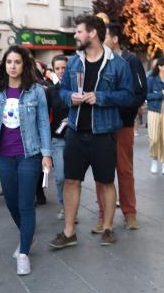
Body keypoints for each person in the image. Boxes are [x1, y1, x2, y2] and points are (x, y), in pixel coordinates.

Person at [48, 15, 133, 249]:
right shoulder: (74, 63)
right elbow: (61, 91)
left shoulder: (117, 64)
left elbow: (129, 96)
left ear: (93, 33)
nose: (75, 35)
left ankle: (107, 228)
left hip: (104, 133)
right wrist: (70, 98)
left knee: (105, 181)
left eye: (79, 31)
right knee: (70, 181)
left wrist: (101, 97)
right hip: (75, 131)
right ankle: (69, 232)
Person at [0, 46, 52, 275]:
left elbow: (43, 123)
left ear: (25, 65)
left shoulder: (35, 91)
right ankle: (27, 237)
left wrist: (47, 154)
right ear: (4, 65)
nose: (12, 66)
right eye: (9, 62)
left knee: (25, 203)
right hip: (4, 156)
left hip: (29, 155)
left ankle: (23, 253)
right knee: (11, 202)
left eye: (17, 62)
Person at [92, 23, 147, 232]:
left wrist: (121, 109)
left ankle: (129, 213)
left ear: (114, 39)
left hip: (122, 124)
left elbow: (140, 93)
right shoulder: (97, 60)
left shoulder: (130, 60)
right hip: (101, 126)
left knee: (124, 170)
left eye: (103, 35)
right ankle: (102, 216)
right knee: (101, 173)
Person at [46, 55, 69, 220]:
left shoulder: (78, 88)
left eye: (64, 68)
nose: (61, 71)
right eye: (58, 68)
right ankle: (63, 204)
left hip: (76, 139)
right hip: (57, 140)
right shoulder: (50, 92)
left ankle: (71, 209)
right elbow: (45, 117)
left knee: (73, 179)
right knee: (60, 177)